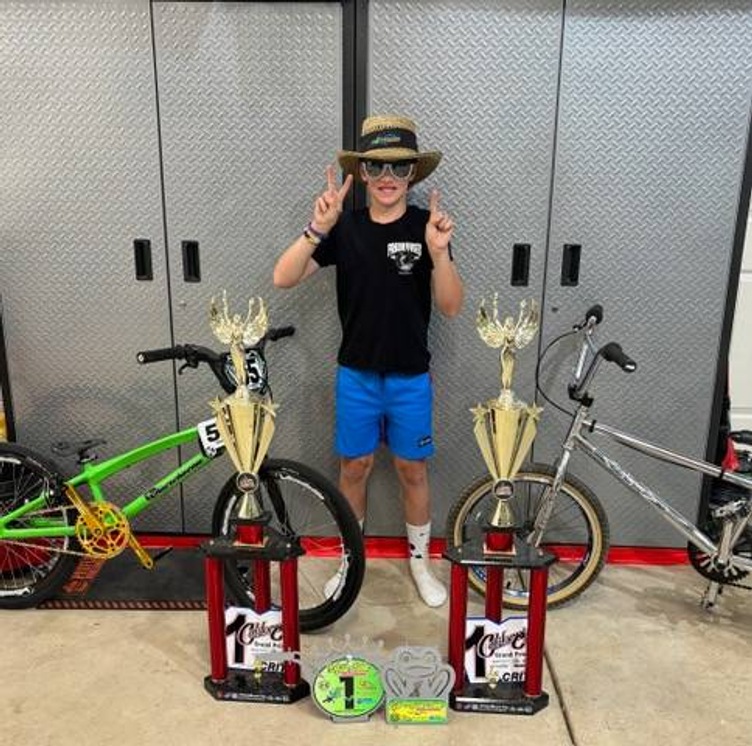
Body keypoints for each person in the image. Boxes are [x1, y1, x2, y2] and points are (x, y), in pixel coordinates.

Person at [273, 115, 463, 607]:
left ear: (412, 176)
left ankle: (421, 565)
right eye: (376, 164)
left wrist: (439, 255)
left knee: (412, 471)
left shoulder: (427, 228)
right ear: (363, 170)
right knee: (353, 467)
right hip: (356, 375)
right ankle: (350, 562)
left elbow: (451, 305)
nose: (386, 176)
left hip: (410, 378)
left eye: (398, 168)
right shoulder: (347, 228)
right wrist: (319, 227)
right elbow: (283, 277)